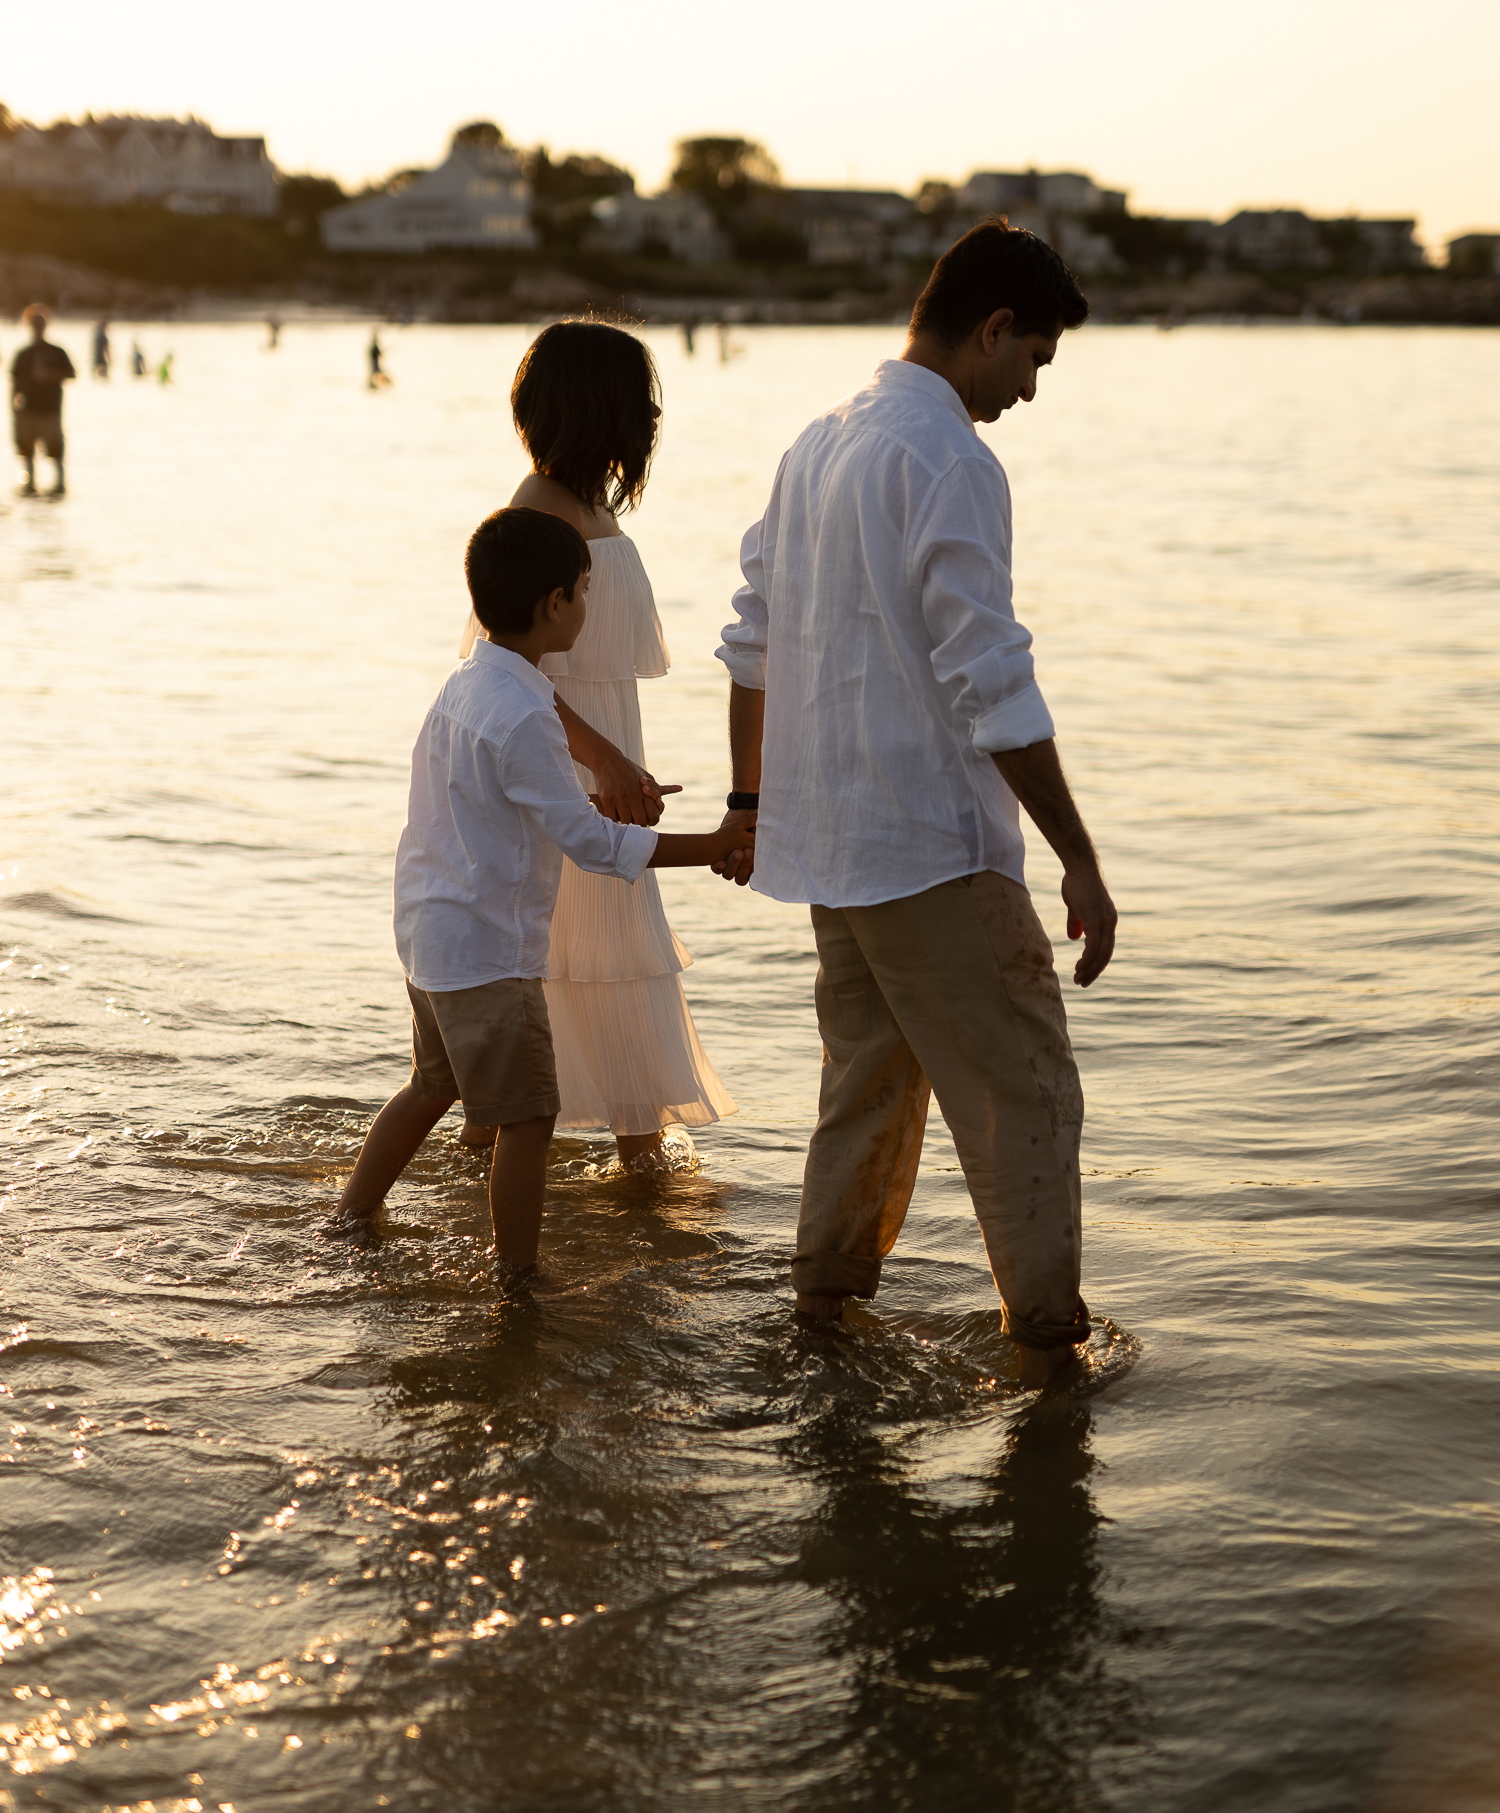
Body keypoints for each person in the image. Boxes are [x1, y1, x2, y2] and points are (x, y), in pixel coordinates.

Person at [716, 220, 1118, 1389]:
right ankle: (1050, 1361)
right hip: (931, 851)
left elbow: (752, 644)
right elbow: (989, 677)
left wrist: (753, 801)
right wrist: (1079, 859)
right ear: (992, 330)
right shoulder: (948, 460)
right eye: (1032, 361)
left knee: (867, 1097)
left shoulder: (817, 442)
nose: (1028, 393)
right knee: (1028, 1099)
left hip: (835, 854)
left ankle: (823, 1335)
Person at [333, 507, 754, 1272]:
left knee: (432, 1086)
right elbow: (592, 847)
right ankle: (517, 1279)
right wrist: (715, 847)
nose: (589, 608)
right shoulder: (528, 711)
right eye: (585, 592)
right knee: (530, 1118)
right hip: (490, 954)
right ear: (553, 605)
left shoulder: (466, 684)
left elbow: (498, 800)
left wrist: (591, 801)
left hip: (432, 936)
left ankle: (351, 1217)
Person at [459, 319, 738, 1170]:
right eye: (637, 401)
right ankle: (511, 1160)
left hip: (603, 759)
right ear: (599, 409)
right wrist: (604, 759)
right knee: (548, 952)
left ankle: (624, 1170)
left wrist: (617, 756)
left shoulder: (590, 504)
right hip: (561, 769)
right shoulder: (535, 510)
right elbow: (501, 666)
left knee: (606, 951)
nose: (650, 417)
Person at [11, 305, 76, 497]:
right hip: (27, 410)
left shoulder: (57, 352)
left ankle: (59, 484)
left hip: (50, 409)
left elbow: (72, 373)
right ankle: (29, 484)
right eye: (34, 323)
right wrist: (13, 411)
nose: (38, 327)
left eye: (41, 323)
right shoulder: (23, 354)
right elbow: (14, 384)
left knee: (55, 450)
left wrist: (51, 376)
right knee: (26, 451)